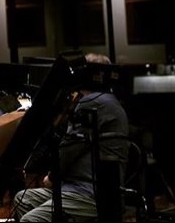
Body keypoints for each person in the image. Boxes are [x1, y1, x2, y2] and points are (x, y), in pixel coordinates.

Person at [11, 53, 130, 222]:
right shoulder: (107, 99)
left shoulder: (93, 102)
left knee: (30, 220)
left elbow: (70, 147)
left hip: (89, 192)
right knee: (23, 199)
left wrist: (52, 176)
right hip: (76, 186)